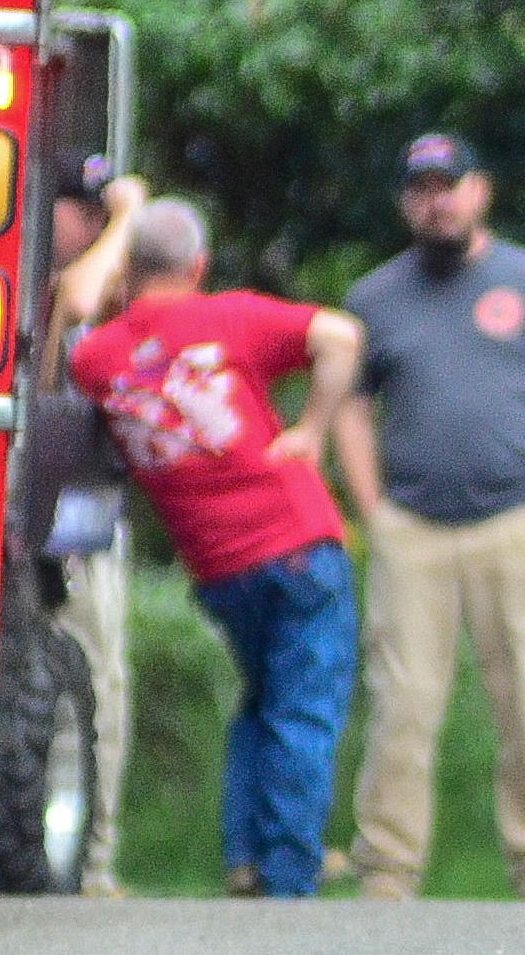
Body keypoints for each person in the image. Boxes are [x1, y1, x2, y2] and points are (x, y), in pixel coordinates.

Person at [70, 198, 366, 897]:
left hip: (219, 566)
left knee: (264, 701)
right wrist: (312, 428)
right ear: (198, 267)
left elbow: (81, 305)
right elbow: (342, 336)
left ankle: (247, 857)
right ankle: (287, 872)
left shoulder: (97, 357)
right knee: (303, 709)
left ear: (128, 268)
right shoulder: (230, 317)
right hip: (296, 540)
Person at [333, 133, 525, 904]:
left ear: (480, 190)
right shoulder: (375, 297)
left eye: (449, 185)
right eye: (420, 188)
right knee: (403, 705)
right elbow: (350, 407)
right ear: (404, 202)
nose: (436, 201)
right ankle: (387, 872)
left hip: (515, 520)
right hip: (413, 527)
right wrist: (374, 511)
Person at [26, 156, 147, 896]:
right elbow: (74, 296)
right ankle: (80, 857)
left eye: (105, 214)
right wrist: (128, 216)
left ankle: (96, 860)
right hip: (43, 524)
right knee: (78, 679)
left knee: (104, 680)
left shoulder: (112, 287)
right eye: (86, 210)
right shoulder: (45, 279)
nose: (97, 226)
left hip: (85, 520)